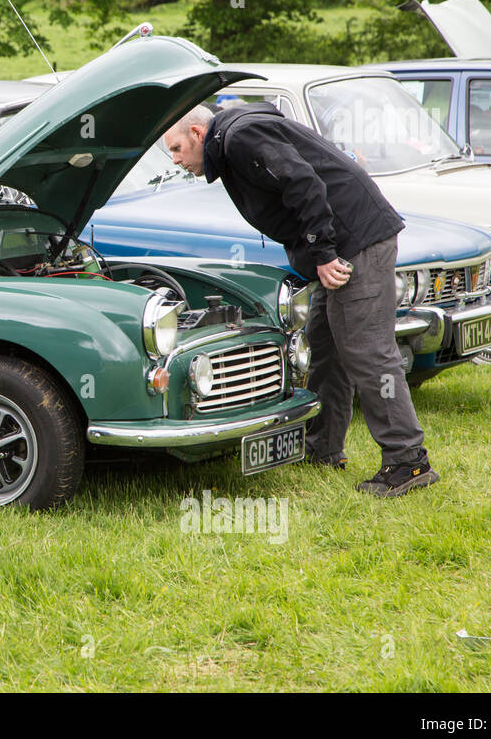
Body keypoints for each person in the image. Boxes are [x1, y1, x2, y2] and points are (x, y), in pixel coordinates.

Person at [162, 102, 437, 497]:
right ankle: (323, 448)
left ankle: (409, 462)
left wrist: (323, 253)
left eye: (176, 149)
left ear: (197, 134)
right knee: (325, 344)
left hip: (354, 241)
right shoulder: (236, 134)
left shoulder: (240, 137)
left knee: (367, 350)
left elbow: (304, 184)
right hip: (344, 240)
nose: (176, 160)